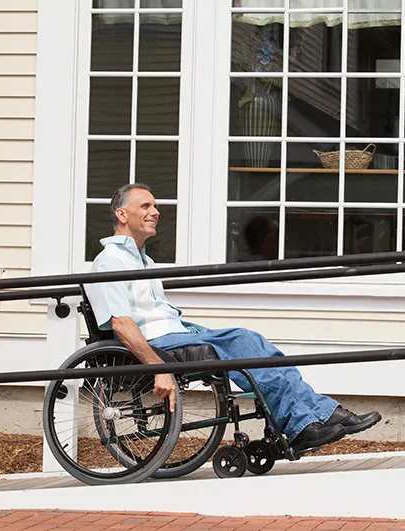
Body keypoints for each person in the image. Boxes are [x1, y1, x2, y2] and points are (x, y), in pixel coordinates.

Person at [85, 183, 381, 453]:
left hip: (177, 333)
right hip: (157, 342)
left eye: (155, 205)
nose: (155, 212)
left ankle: (319, 416)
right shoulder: (110, 261)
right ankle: (309, 421)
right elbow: (120, 323)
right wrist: (158, 368)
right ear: (122, 215)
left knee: (255, 343)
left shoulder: (142, 260)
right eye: (145, 206)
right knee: (243, 341)